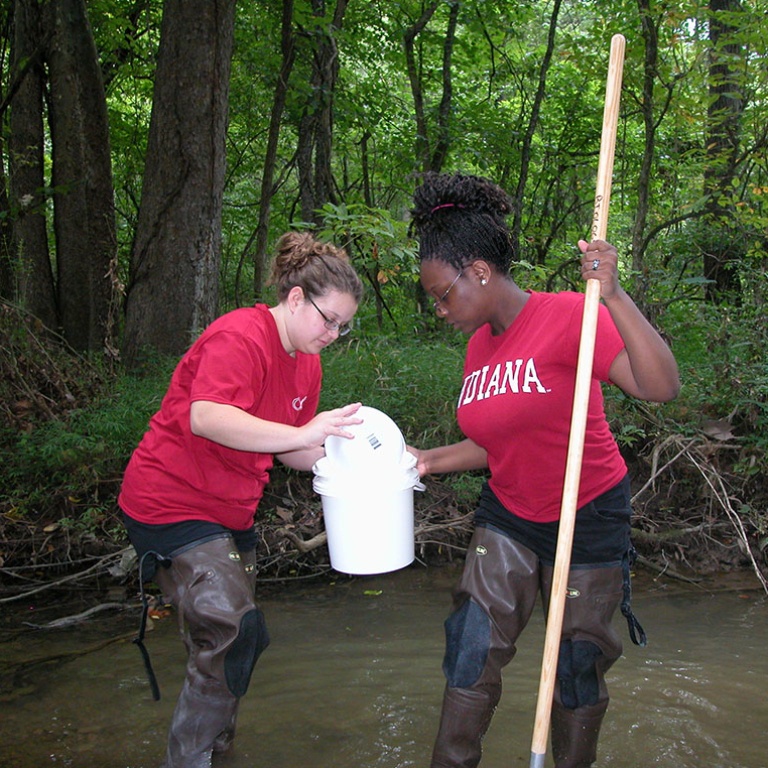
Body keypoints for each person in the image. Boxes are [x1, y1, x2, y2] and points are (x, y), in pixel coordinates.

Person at [408, 172, 680, 768]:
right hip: (510, 512)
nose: (439, 309)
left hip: (588, 512)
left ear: (479, 271)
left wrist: (612, 295)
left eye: (443, 293)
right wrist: (425, 461)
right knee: (471, 647)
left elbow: (660, 386)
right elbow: (497, 443)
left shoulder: (568, 317)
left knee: (578, 665)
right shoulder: (479, 347)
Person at [118, 231, 364, 768]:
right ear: (295, 298)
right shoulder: (240, 336)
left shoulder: (308, 361)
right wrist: (302, 434)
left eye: (343, 326)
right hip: (171, 503)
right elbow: (207, 417)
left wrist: (356, 460)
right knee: (232, 631)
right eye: (329, 319)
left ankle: (219, 754)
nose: (334, 333)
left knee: (231, 642)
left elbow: (292, 448)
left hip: (232, 511)